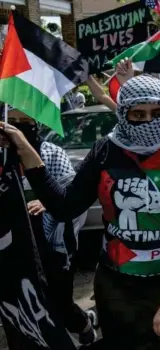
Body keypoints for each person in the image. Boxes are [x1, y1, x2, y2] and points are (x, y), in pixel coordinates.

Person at [1, 76, 160, 349]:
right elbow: (65, 206)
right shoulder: (106, 149)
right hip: (117, 286)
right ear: (123, 113)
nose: (148, 122)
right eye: (137, 114)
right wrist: (25, 148)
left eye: (157, 113)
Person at [2, 105, 97, 346]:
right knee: (19, 311)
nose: (17, 127)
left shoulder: (52, 153)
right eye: (11, 121)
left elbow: (68, 197)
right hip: (13, 250)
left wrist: (45, 203)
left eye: (25, 122)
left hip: (50, 248)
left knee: (60, 306)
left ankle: (83, 323)